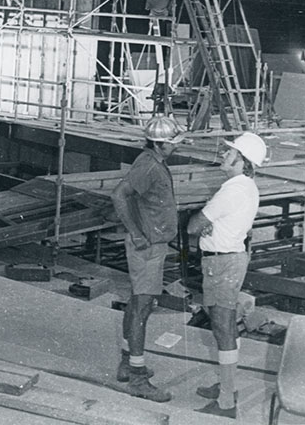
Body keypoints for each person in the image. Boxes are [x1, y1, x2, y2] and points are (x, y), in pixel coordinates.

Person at [187, 131, 267, 419]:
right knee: (223, 321)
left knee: (222, 327)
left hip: (223, 264)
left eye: (229, 152)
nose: (223, 155)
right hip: (225, 261)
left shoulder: (233, 189)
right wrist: (210, 223)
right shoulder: (244, 186)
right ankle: (226, 384)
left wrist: (203, 221)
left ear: (241, 160)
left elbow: (194, 226)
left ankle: (226, 402)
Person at [111, 115, 186, 403]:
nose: (174, 148)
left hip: (153, 244)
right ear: (158, 143)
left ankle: (127, 363)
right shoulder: (149, 166)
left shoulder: (155, 163)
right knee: (143, 307)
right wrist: (136, 233)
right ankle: (138, 379)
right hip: (148, 248)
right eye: (171, 143)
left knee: (137, 303)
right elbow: (119, 195)